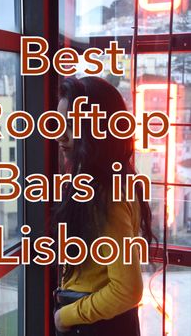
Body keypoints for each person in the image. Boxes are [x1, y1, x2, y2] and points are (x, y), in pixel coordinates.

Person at [53, 76, 157, 336]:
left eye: (71, 127)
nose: (60, 137)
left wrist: (65, 317)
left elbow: (127, 290)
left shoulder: (106, 193)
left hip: (95, 326)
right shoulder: (111, 181)